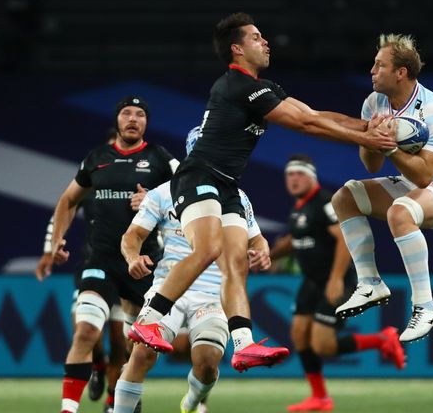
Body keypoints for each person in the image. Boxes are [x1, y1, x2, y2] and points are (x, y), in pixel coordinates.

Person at [129, 12, 395, 372]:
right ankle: (148, 319)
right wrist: (364, 139)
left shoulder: (261, 88)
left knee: (235, 264)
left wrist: (366, 125)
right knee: (209, 249)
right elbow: (305, 124)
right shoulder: (237, 85)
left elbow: (312, 113)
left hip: (226, 186)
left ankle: (243, 345)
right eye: (256, 37)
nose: (265, 41)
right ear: (237, 49)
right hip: (198, 177)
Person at [331, 33, 433, 342]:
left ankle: (426, 307)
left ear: (401, 73)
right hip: (415, 183)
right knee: (345, 196)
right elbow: (370, 166)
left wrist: (389, 149)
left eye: (379, 65)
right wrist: (373, 138)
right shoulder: (374, 102)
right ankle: (370, 283)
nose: (372, 70)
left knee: (401, 211)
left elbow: (425, 176)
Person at [115, 128, 271, 413]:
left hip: (213, 293)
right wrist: (132, 257)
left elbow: (256, 237)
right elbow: (132, 235)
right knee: (140, 356)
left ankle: (192, 402)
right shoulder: (165, 192)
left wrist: (262, 251)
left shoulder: (236, 194)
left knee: (208, 363)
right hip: (169, 287)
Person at [45, 96, 178, 413]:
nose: (133, 119)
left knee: (136, 347)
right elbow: (68, 200)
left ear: (146, 122)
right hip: (99, 260)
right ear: (117, 120)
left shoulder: (161, 159)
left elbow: (189, 193)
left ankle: (125, 397)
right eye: (127, 113)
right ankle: (68, 409)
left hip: (141, 265)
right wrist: (56, 242)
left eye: (140, 114)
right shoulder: (96, 158)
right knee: (87, 330)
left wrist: (155, 200)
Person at [270, 154, 406, 412]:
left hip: (338, 281)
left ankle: (382, 339)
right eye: (290, 174)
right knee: (299, 336)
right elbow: (294, 240)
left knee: (323, 345)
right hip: (312, 282)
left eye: (300, 173)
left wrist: (335, 279)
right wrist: (269, 255)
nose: (294, 179)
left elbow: (345, 238)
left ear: (312, 177)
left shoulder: (325, 203)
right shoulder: (300, 207)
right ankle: (320, 397)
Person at [36, 127, 128, 412]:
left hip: (130, 272)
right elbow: (65, 205)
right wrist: (50, 249)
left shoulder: (145, 183)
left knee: (120, 340)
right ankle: (97, 364)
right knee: (87, 331)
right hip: (95, 264)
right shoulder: (94, 176)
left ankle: (113, 403)